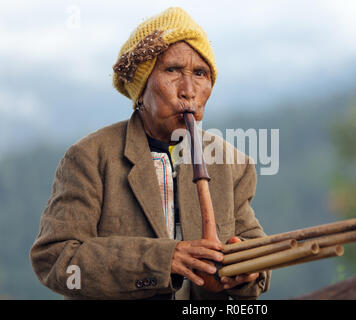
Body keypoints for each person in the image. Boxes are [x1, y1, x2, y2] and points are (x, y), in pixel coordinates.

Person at [30, 7, 270, 300]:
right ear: (141, 89)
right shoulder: (89, 158)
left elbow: (258, 256)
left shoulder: (232, 164)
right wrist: (162, 260)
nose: (189, 90)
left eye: (200, 73)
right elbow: (55, 259)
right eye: (172, 70)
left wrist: (247, 270)